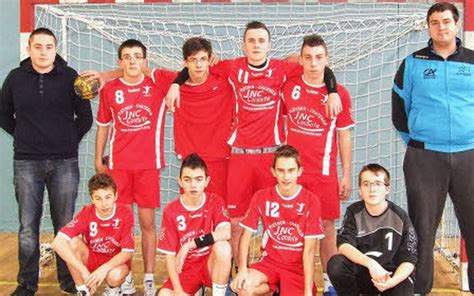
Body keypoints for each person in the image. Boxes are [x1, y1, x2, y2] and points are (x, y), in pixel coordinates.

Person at [167, 21, 341, 268]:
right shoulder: (231, 67)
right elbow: (198, 66)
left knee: (279, 217)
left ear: (269, 45)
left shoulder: (282, 69)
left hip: (271, 158)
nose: (256, 45)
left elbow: (321, 67)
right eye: (251, 40)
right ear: (243, 45)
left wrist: (332, 90)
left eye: (261, 40)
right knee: (237, 222)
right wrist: (176, 83)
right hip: (239, 157)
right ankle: (240, 274)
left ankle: (277, 271)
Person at [0, 27, 93, 295]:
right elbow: (4, 114)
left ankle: (68, 280)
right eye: (37, 46)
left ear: (56, 49)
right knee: (28, 226)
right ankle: (27, 284)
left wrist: (66, 142)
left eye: (48, 46)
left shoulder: (71, 77)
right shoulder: (15, 78)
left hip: (65, 162)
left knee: (64, 225)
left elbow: (84, 118)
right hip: (27, 162)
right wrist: (24, 137)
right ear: (29, 48)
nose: (43, 52)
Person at [391, 2, 474, 294]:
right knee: (422, 230)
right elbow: (399, 107)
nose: (441, 27)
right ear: (428, 27)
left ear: (456, 24)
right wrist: (417, 142)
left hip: (469, 156)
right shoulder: (412, 63)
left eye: (446, 22)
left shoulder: (473, 61)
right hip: (424, 158)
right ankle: (420, 289)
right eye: (435, 22)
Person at [95, 39, 170, 295]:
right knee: (123, 226)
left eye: (137, 56)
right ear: (120, 62)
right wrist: (98, 158)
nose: (132, 61)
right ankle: (124, 278)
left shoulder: (158, 86)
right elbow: (103, 125)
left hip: (149, 166)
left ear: (145, 61)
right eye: (127, 57)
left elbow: (180, 77)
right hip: (119, 166)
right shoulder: (109, 90)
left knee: (147, 223)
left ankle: (149, 277)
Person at [281, 34, 354, 295]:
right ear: (301, 59)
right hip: (291, 174)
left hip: (324, 174)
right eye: (308, 57)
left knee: (326, 230)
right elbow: (283, 62)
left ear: (328, 59)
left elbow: (344, 135)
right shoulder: (288, 86)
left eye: (319, 57)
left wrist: (345, 174)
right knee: (289, 227)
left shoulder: (340, 95)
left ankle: (331, 283)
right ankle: (294, 282)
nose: (313, 63)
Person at [231, 145, 324, 296]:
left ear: (299, 171)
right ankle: (275, 288)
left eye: (291, 170)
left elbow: (309, 251)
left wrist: (307, 291)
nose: (286, 177)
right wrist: (242, 270)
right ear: (273, 172)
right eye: (281, 171)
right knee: (243, 287)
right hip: (270, 263)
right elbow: (246, 236)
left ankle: (277, 290)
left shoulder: (311, 201)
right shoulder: (261, 197)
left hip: (296, 268)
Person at [327, 164, 417, 296]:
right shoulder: (354, 212)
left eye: (377, 184)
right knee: (336, 264)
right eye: (366, 184)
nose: (371, 189)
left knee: (403, 290)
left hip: (390, 276)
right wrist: (371, 264)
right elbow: (343, 245)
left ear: (387, 189)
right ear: (360, 190)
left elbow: (409, 260)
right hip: (365, 273)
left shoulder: (400, 216)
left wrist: (391, 282)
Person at [157, 153, 232, 296]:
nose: (193, 185)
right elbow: (170, 256)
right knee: (164, 295)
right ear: (179, 181)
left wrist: (189, 245)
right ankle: (195, 290)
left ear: (206, 181)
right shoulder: (171, 211)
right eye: (187, 179)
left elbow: (226, 232)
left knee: (223, 247)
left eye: (198, 179)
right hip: (186, 268)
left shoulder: (214, 201)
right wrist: (178, 291)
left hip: (209, 264)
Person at [52, 173, 135, 296]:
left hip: (115, 262)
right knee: (71, 242)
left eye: (108, 197)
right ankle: (83, 290)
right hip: (92, 257)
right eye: (98, 198)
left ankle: (118, 285)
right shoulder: (87, 213)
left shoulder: (125, 214)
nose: (104, 204)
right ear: (92, 199)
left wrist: (104, 269)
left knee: (114, 276)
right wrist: (83, 270)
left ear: (115, 196)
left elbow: (127, 252)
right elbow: (57, 243)